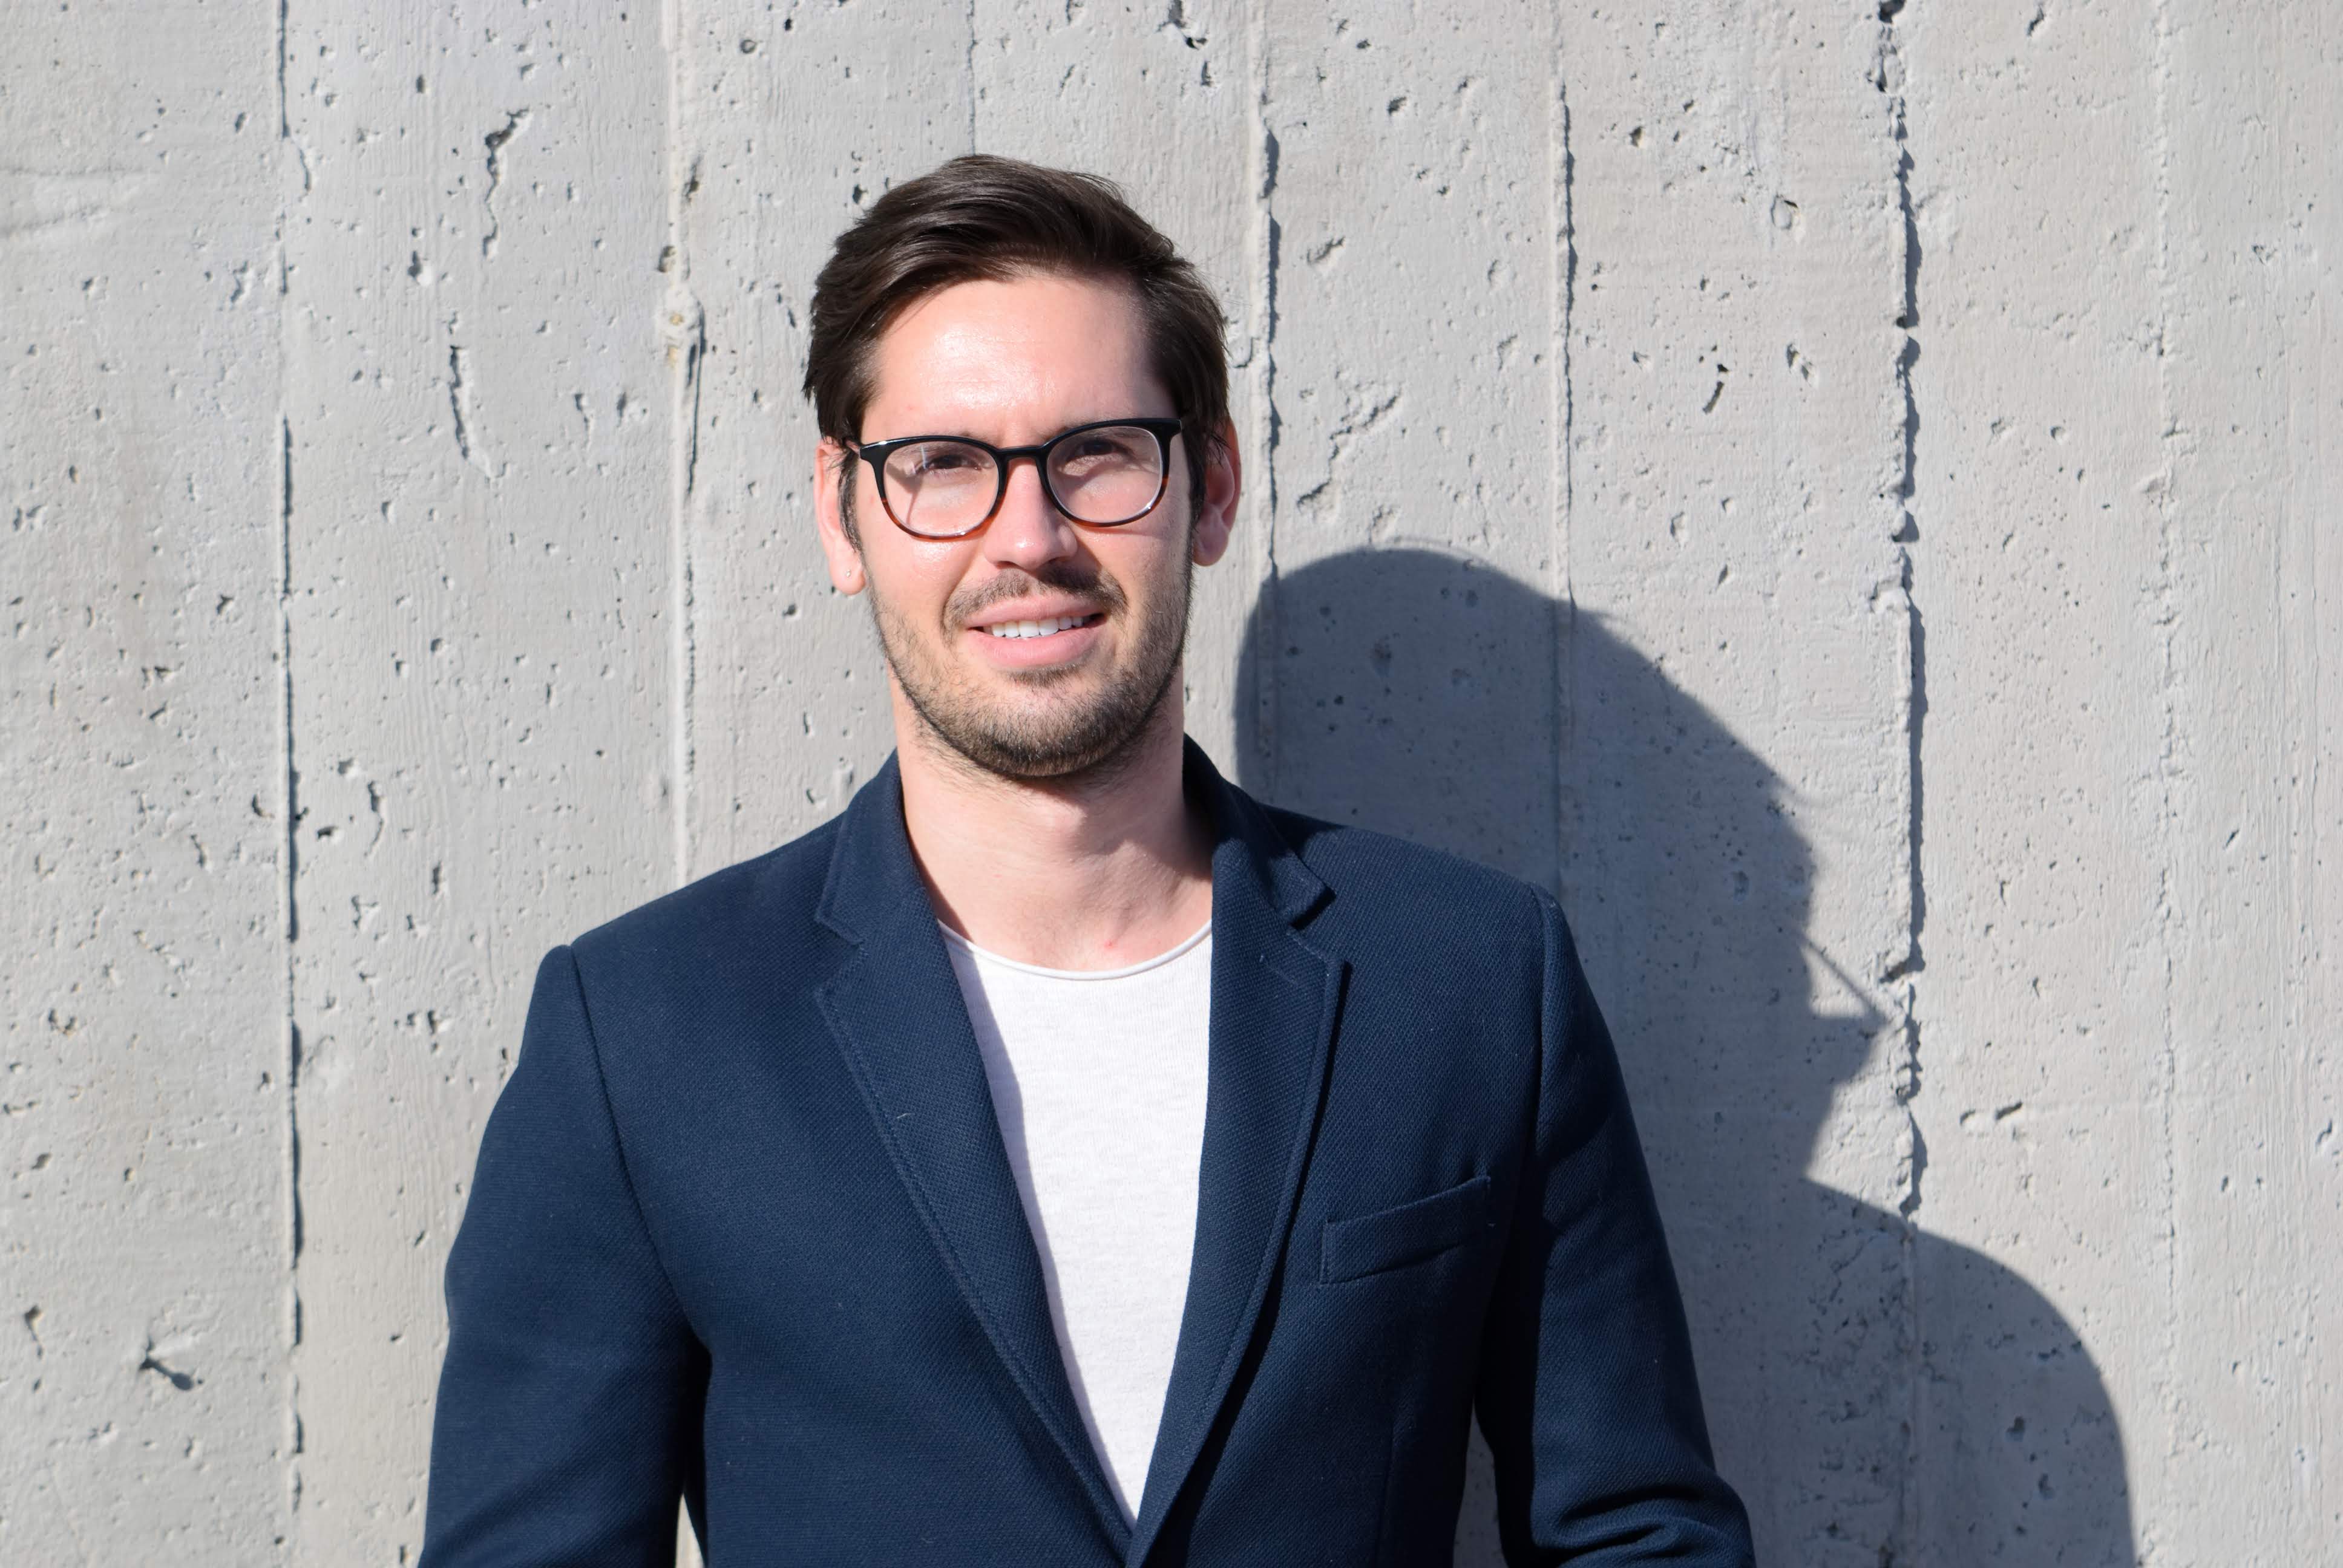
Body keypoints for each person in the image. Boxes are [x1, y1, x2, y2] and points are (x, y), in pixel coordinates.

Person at [419, 154, 1755, 1567]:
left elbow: (1634, 1533)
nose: (1030, 537)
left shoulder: (1473, 982)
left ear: (1212, 485)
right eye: (943, 465)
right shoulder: (644, 1035)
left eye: (1097, 454)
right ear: (843, 513)